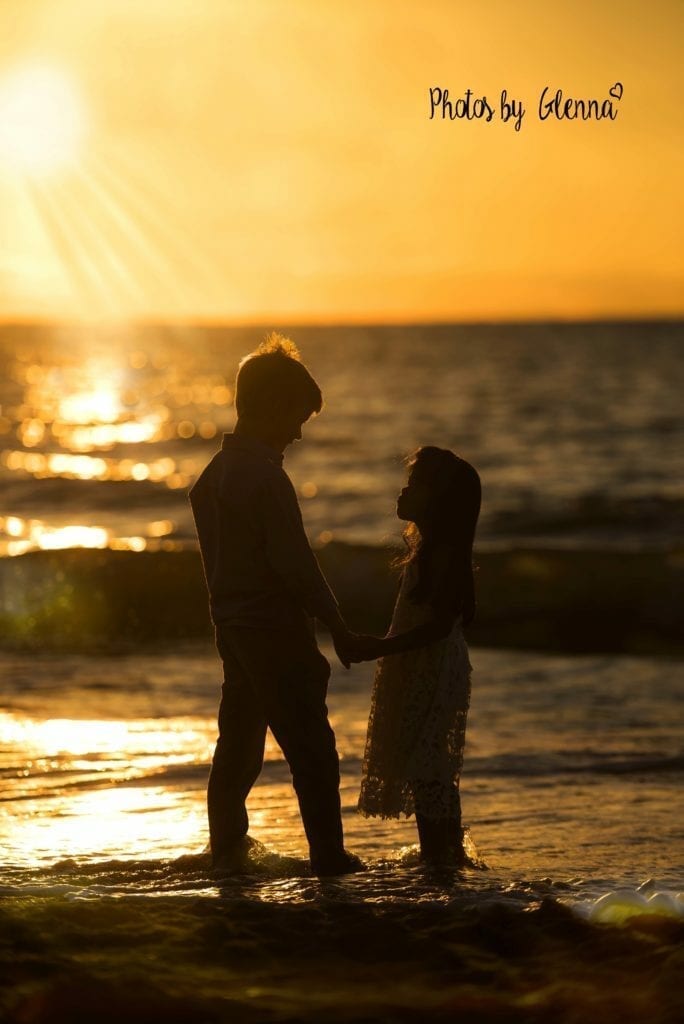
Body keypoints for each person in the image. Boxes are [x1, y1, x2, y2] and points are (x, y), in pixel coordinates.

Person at [189, 333, 363, 877]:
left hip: (233, 629)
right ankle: (329, 858)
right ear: (268, 408)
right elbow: (296, 566)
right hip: (273, 629)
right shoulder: (266, 479)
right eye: (296, 418)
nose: (298, 433)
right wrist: (337, 623)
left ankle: (227, 849)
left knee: (238, 744)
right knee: (311, 746)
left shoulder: (212, 479)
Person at [354, 446, 481, 864]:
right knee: (427, 765)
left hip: (434, 666)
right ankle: (444, 856)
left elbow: (438, 627)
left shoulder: (443, 553)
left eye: (413, 485)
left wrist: (380, 647)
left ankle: (442, 859)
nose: (402, 492)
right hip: (421, 665)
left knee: (430, 767)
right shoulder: (428, 549)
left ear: (436, 498)